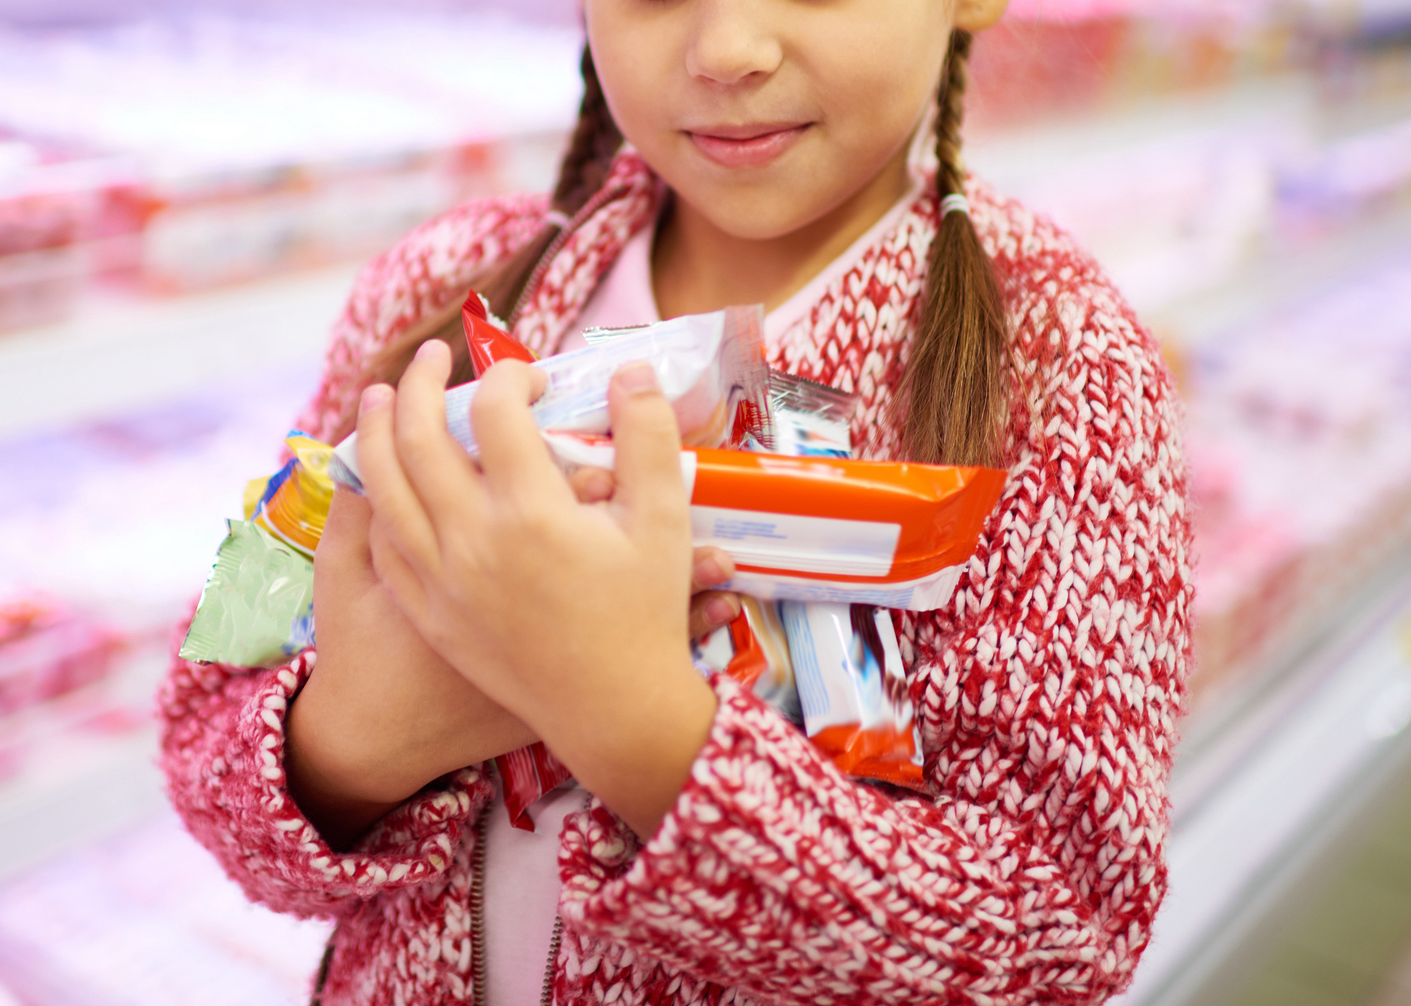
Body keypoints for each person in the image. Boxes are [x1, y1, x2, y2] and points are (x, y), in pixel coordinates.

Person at [159, 0, 1192, 1002]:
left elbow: (1059, 932)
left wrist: (629, 716)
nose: (729, 47)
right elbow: (205, 701)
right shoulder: (427, 292)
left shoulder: (1064, 361)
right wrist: (354, 739)